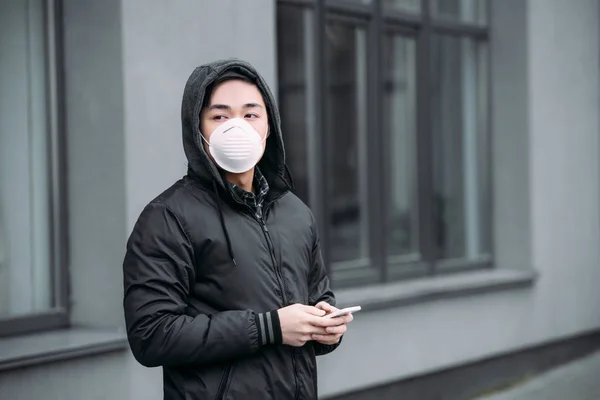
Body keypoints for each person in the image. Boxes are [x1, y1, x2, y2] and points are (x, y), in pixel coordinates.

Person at [123, 59, 353, 400]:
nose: (237, 127)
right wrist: (267, 327)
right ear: (197, 129)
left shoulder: (295, 213)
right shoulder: (168, 217)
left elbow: (317, 298)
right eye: (219, 116)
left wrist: (326, 327)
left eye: (250, 114)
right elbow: (151, 334)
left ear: (269, 125)